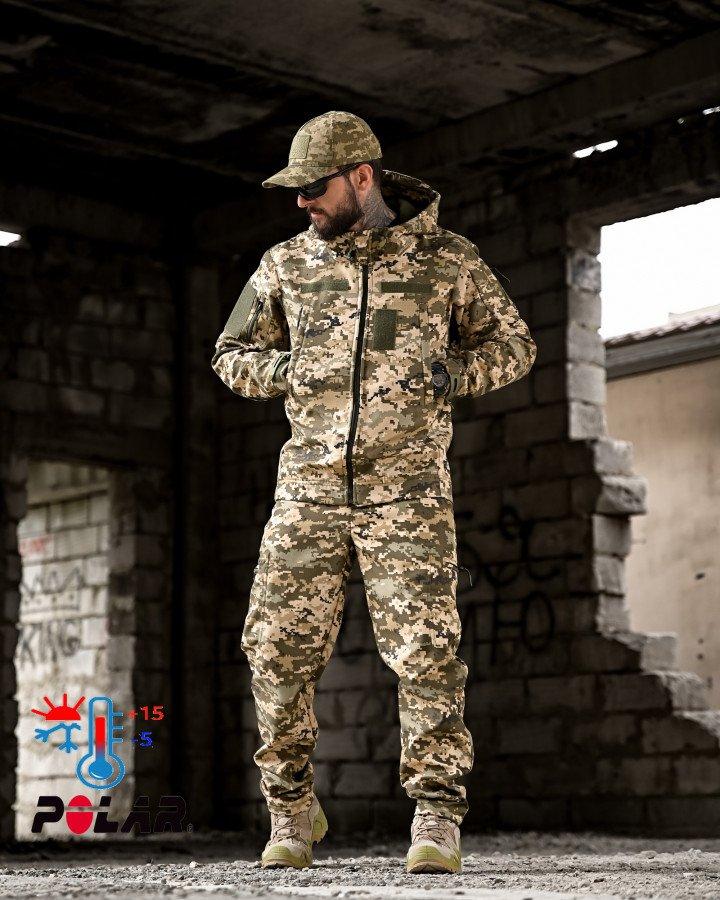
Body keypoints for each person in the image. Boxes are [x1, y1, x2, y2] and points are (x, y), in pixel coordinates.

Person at [211, 110, 537, 874]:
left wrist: (454, 374)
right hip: (310, 489)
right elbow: (229, 353)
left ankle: (437, 817)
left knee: (426, 654)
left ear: (362, 177)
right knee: (275, 649)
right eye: (295, 192)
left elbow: (515, 344)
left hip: (407, 491)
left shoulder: (447, 260)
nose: (302, 203)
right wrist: (286, 370)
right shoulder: (285, 265)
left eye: (313, 188)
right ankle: (291, 812)